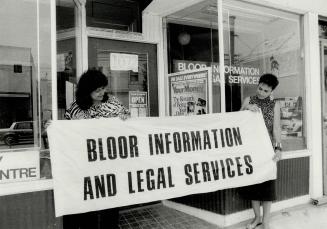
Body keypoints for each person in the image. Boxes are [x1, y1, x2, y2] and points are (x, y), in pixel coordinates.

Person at [63, 69, 130, 229]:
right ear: (87, 90)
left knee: (111, 204)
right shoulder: (75, 108)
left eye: (104, 88)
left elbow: (129, 121)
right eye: (98, 89)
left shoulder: (113, 103)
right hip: (86, 166)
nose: (102, 92)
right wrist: (54, 128)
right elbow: (65, 133)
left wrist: (126, 118)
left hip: (110, 163)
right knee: (89, 208)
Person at [240, 73, 282, 229]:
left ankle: (265, 221)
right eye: (260, 88)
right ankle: (257, 217)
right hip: (251, 149)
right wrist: (246, 108)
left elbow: (276, 128)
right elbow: (238, 121)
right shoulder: (248, 100)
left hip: (267, 150)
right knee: (253, 185)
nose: (261, 92)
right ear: (257, 85)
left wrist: (278, 148)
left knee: (267, 187)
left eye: (265, 91)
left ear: (271, 91)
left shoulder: (275, 105)